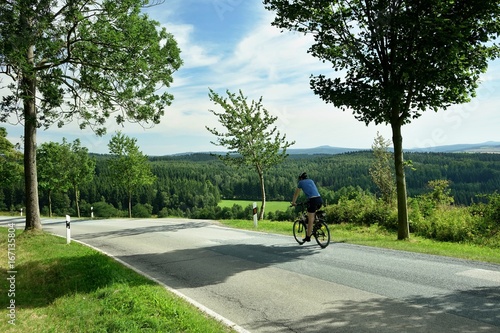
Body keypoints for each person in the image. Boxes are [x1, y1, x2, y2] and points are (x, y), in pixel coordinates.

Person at [291, 172, 323, 242]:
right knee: (313, 212)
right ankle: (318, 223)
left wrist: (293, 202)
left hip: (312, 200)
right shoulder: (311, 180)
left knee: (310, 220)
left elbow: (296, 194)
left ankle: (308, 237)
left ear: (300, 178)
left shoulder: (300, 183)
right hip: (319, 199)